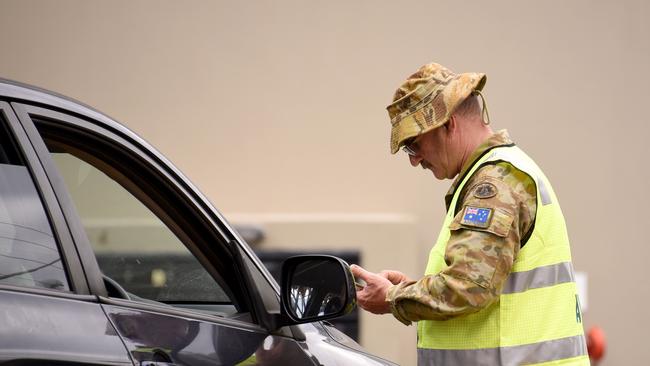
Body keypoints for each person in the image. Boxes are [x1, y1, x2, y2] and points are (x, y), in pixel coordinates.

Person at [351, 62, 589, 365]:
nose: (415, 160)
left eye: (413, 145)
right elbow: (480, 283)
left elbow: (468, 287)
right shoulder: (502, 173)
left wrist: (392, 297)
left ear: (448, 124)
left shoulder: (493, 184)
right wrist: (408, 289)